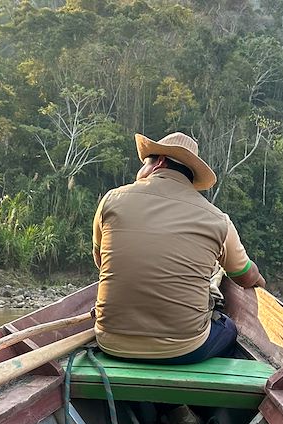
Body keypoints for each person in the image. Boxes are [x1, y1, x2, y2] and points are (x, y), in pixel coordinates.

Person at [92, 132, 266, 365]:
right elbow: (246, 277)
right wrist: (259, 282)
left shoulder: (111, 200)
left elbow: (102, 262)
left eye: (144, 164)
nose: (139, 172)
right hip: (185, 349)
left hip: (110, 342)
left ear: (160, 161)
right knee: (229, 329)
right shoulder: (217, 219)